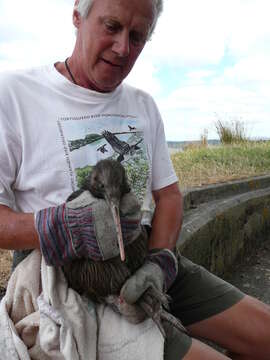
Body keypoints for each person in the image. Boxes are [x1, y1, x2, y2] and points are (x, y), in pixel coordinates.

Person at [0, 0, 270, 358]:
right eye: (111, 27)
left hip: (143, 257)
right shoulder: (15, 95)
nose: (123, 48)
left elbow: (170, 197)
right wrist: (62, 226)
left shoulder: (143, 106)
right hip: (72, 280)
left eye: (137, 37)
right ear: (77, 17)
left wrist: (160, 263)